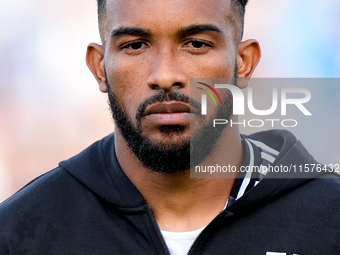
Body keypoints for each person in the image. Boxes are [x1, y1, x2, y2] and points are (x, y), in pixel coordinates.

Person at [0, 0, 339, 254]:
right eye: (135, 45)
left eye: (196, 44)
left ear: (243, 63)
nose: (164, 75)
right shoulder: (20, 231)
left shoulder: (330, 218)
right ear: (100, 67)